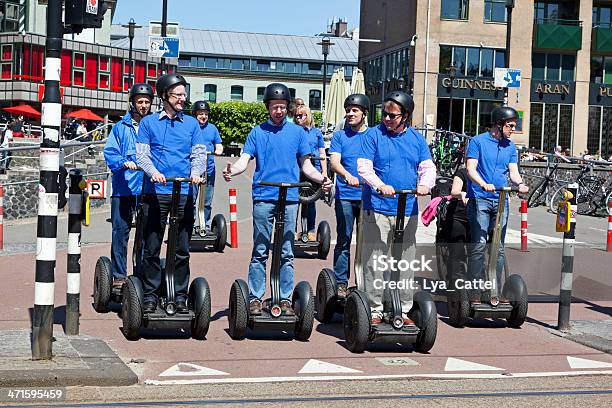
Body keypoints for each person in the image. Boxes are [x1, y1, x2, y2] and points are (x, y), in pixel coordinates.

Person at [223, 83, 332, 316]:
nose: (279, 111)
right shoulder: (257, 132)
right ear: (268, 107)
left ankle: (283, 298)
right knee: (261, 249)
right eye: (275, 107)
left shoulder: (298, 133)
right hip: (264, 195)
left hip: (290, 197)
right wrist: (233, 170)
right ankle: (254, 297)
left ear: (287, 108)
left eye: (283, 107)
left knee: (286, 251)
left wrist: (321, 178)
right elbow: (244, 160)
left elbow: (306, 165)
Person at [357, 90, 436, 325]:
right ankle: (374, 310)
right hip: (378, 207)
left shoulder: (416, 139)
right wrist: (380, 185)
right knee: (375, 261)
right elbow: (363, 167)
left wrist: (424, 185)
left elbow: (428, 168)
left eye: (393, 115)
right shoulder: (373, 135)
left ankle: (401, 309)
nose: (387, 119)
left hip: (407, 208)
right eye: (385, 114)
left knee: (405, 261)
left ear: (405, 116)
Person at [136, 74, 206, 314]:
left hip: (184, 192)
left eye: (184, 95)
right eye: (177, 95)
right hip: (156, 193)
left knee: (181, 249)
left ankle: (179, 295)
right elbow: (142, 155)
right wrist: (153, 172)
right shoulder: (149, 123)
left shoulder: (192, 124)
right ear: (165, 95)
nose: (182, 99)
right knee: (152, 247)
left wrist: (196, 173)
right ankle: (150, 295)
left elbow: (199, 155)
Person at [465, 106, 529, 305]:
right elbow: (470, 169)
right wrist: (483, 184)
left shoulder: (510, 147)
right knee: (479, 246)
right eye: (510, 126)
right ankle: (473, 291)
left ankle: (494, 290)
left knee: (498, 248)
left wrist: (520, 183)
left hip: (501, 200)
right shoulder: (478, 142)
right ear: (499, 124)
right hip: (480, 198)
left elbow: (513, 172)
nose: (513, 130)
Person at [103, 83, 153, 288]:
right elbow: (110, 152)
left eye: (147, 102)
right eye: (140, 101)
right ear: (132, 103)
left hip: (147, 189)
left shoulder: (154, 126)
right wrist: (123, 162)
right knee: (120, 233)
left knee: (146, 234)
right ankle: (119, 275)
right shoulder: (120, 127)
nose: (143, 105)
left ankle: (141, 275)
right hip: (124, 188)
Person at [328, 93, 370, 299]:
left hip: (368, 197)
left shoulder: (373, 135)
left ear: (364, 113)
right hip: (346, 195)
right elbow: (334, 162)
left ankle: (363, 283)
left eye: (354, 110)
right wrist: (347, 175)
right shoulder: (340, 136)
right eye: (348, 111)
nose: (350, 114)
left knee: (366, 243)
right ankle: (341, 283)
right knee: (344, 239)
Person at [293, 105, 326, 241]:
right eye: (296, 116)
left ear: (308, 116)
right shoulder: (294, 131)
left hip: (314, 170)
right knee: (294, 201)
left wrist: (324, 171)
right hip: (298, 170)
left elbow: (322, 152)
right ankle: (292, 231)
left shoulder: (316, 132)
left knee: (311, 202)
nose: (298, 118)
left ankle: (311, 231)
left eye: (301, 115)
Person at [192, 100, 223, 232]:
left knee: (207, 201)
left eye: (205, 114)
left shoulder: (212, 128)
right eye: (200, 114)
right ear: (195, 114)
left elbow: (219, 144)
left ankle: (206, 225)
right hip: (193, 170)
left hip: (209, 170)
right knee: (191, 200)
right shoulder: (191, 127)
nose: (203, 116)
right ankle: (191, 225)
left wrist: (218, 150)